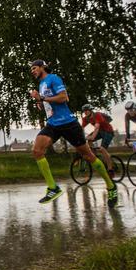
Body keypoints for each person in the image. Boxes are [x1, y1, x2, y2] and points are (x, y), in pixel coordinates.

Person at [29, 59, 118, 208]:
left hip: (68, 123)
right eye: (31, 69)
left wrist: (43, 98)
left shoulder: (53, 78)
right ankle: (53, 188)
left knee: (88, 156)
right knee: (37, 151)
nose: (32, 71)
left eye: (34, 68)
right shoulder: (41, 84)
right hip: (53, 124)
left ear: (43, 67)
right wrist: (41, 103)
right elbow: (49, 101)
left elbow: (64, 97)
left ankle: (111, 186)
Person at [80, 104, 116, 179]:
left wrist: (92, 137)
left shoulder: (97, 115)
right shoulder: (85, 119)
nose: (85, 112)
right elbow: (81, 128)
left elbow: (96, 127)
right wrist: (80, 137)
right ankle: (94, 157)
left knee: (102, 149)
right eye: (84, 111)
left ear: (90, 110)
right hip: (100, 131)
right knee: (89, 141)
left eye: (87, 110)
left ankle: (110, 169)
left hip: (108, 132)